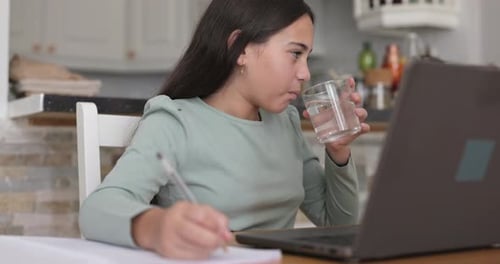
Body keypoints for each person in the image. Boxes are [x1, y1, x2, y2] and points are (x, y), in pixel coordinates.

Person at [79, 0, 370, 260]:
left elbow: (336, 224)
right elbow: (97, 209)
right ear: (239, 49)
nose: (305, 72)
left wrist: (338, 151)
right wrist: (157, 227)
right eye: (295, 54)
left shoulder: (285, 123)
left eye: (307, 57)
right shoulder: (175, 120)